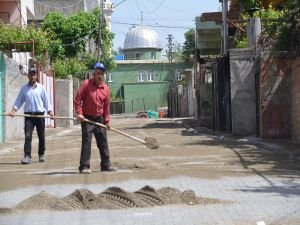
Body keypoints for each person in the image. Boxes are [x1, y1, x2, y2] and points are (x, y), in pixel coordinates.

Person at [74, 62, 116, 174]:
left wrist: (107, 121)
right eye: (98, 73)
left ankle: (106, 165)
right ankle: (84, 166)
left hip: (99, 119)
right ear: (94, 74)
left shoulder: (106, 89)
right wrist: (79, 113)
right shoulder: (86, 84)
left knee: (103, 141)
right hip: (87, 118)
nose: (100, 75)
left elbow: (106, 107)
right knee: (87, 142)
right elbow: (77, 99)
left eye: (102, 73)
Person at [8, 67, 54, 164]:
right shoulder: (24, 89)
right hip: (29, 116)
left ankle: (41, 154)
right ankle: (27, 156)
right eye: (31, 74)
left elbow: (46, 101)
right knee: (28, 136)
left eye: (34, 74)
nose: (32, 76)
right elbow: (19, 100)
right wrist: (13, 110)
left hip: (40, 115)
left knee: (41, 135)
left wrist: (50, 111)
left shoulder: (41, 88)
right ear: (28, 76)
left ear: (36, 76)